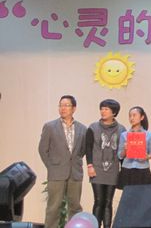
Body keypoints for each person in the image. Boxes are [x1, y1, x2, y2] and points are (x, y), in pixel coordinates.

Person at [38, 95, 87, 228]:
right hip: (56, 172)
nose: (62, 108)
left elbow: (82, 150)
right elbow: (43, 149)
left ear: (74, 108)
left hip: (75, 173)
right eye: (60, 105)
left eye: (66, 105)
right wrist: (51, 166)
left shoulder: (82, 128)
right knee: (53, 208)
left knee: (75, 207)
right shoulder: (50, 126)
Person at [86, 99, 126, 228]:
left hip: (113, 170)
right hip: (96, 169)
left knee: (108, 202)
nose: (103, 111)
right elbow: (88, 148)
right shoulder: (93, 127)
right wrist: (90, 166)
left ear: (114, 112)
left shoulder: (121, 129)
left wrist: (123, 171)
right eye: (102, 108)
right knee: (98, 201)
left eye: (106, 109)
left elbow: (122, 151)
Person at [117, 106, 151, 188]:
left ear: (142, 117)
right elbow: (120, 155)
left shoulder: (148, 135)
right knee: (128, 194)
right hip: (127, 168)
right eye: (130, 116)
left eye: (134, 115)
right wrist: (125, 150)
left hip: (143, 169)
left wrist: (146, 157)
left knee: (142, 194)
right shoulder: (124, 135)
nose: (131, 118)